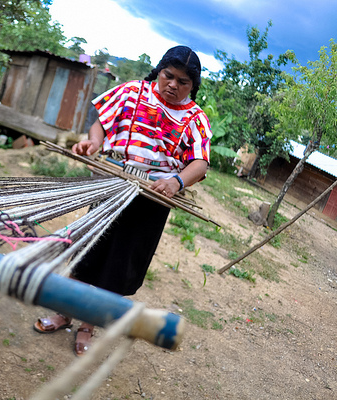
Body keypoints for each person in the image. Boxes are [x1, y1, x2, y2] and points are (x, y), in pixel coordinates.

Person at [33, 45, 212, 356]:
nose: (173, 85)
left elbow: (200, 162)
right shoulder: (132, 92)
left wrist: (176, 181)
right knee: (90, 250)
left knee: (118, 264)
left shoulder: (195, 118)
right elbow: (101, 121)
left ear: (192, 86)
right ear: (159, 71)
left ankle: (88, 325)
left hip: (153, 197)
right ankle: (64, 313)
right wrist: (95, 143)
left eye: (183, 82)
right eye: (169, 76)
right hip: (114, 182)